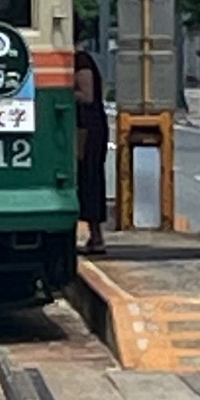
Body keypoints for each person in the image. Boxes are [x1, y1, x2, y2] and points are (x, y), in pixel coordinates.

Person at [74, 47, 109, 255]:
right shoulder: (80, 60)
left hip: (87, 128)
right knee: (87, 177)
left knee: (89, 177)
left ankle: (97, 236)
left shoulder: (81, 61)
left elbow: (87, 96)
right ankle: (94, 235)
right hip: (86, 127)